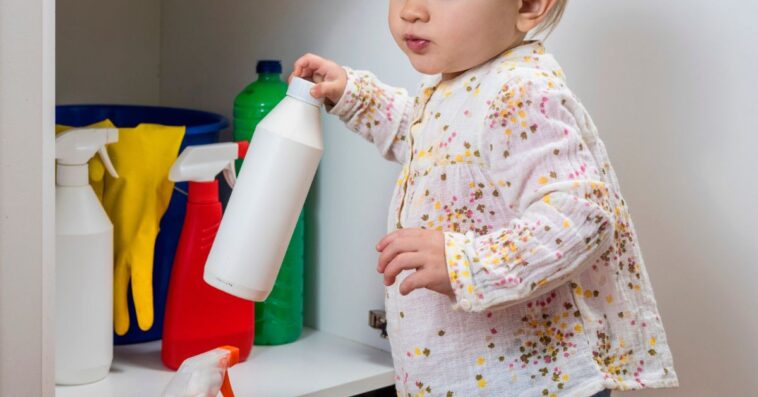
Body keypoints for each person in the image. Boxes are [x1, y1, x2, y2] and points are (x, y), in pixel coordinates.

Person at [291, 1, 679, 395]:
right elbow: (432, 143)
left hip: (531, 383)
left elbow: (581, 216)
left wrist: (468, 264)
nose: (411, 10)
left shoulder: (519, 91)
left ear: (527, 5)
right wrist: (356, 95)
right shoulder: (461, 85)